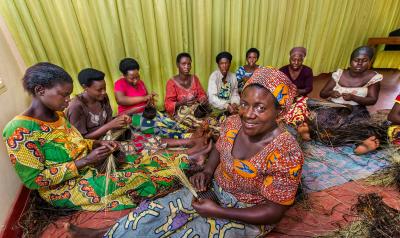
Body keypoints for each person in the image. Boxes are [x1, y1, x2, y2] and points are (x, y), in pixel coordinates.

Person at [65, 67, 304, 238]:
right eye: (244, 104)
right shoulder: (232, 123)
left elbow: (273, 212)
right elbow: (219, 151)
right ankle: (110, 234)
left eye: (260, 108)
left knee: (189, 231)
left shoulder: (286, 152)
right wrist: (208, 172)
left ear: (279, 111)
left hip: (248, 212)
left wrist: (218, 211)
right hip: (215, 190)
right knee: (154, 211)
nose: (248, 114)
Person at [2, 63, 209, 212]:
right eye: (63, 95)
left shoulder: (57, 116)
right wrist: (85, 161)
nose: (67, 100)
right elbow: (33, 180)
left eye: (69, 95)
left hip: (91, 163)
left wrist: (99, 144)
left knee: (141, 156)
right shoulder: (20, 131)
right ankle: (188, 157)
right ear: (40, 90)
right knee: (138, 178)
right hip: (65, 187)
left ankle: (189, 156)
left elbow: (78, 141)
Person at [311, 46, 384, 154]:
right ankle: (319, 134)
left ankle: (362, 144)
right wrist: (332, 93)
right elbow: (323, 93)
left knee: (361, 126)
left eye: (364, 61)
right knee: (319, 120)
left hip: (357, 109)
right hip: (333, 106)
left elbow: (372, 100)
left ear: (370, 61)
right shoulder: (339, 74)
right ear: (350, 61)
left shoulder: (373, 77)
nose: (359, 64)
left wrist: (354, 97)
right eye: (356, 60)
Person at [66, 68, 131, 140]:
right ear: (85, 87)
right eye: (99, 90)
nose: (103, 92)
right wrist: (109, 126)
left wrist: (120, 119)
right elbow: (80, 139)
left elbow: (109, 122)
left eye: (104, 88)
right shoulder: (76, 107)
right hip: (93, 147)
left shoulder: (103, 97)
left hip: (108, 138)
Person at [164, 52, 207, 116]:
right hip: (181, 115)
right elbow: (168, 105)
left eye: (189, 64)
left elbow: (202, 94)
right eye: (183, 64)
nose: (187, 67)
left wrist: (202, 99)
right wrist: (181, 103)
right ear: (177, 65)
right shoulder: (171, 83)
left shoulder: (194, 78)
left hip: (197, 112)